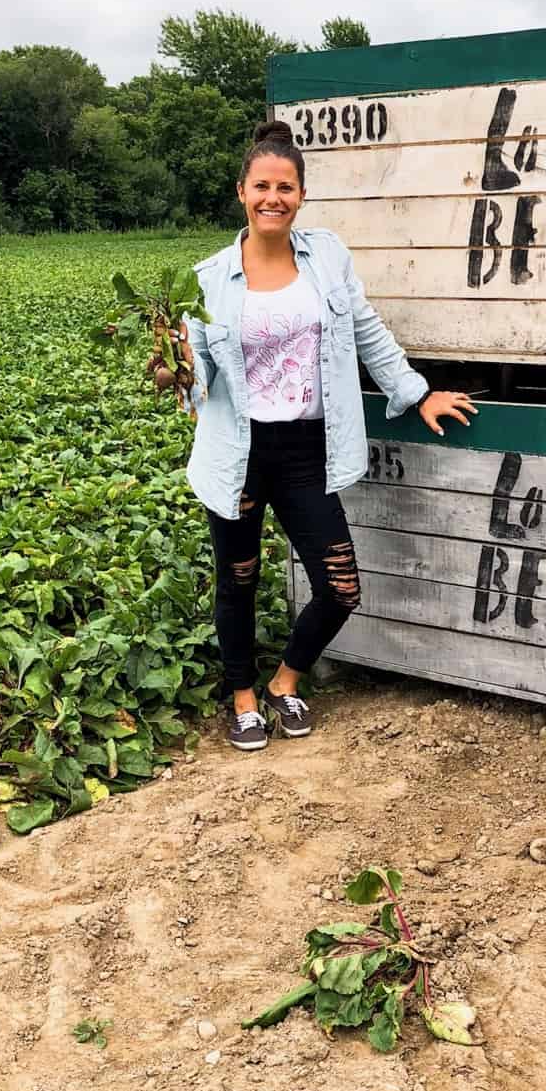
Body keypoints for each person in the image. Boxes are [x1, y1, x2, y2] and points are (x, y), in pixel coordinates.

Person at [179, 118, 476, 751]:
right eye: (262, 186)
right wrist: (172, 373)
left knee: (340, 586)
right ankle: (243, 700)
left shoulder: (327, 257)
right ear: (241, 192)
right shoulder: (206, 280)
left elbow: (365, 329)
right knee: (239, 579)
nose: (273, 199)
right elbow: (197, 380)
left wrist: (416, 391)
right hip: (239, 451)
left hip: (306, 450)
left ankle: (286, 683)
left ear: (301, 196)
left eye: (285, 187)